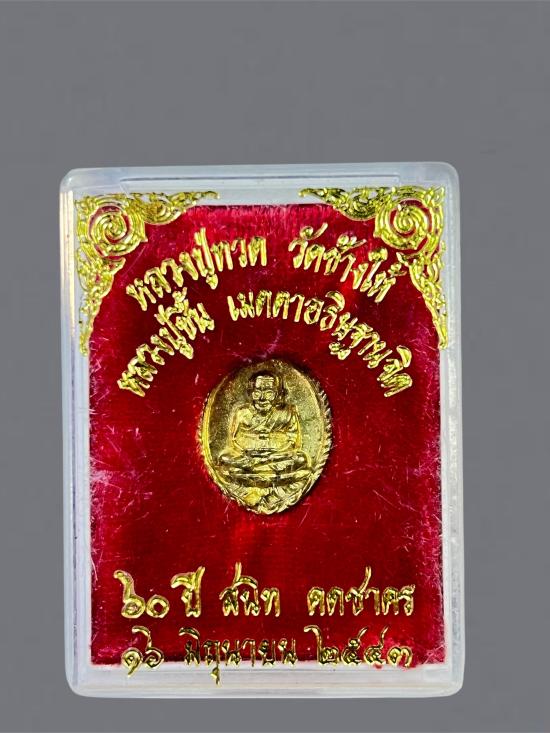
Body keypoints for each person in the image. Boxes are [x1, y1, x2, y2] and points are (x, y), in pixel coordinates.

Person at [218, 370, 310, 492]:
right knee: (224, 459)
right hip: (248, 457)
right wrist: (248, 453)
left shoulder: (287, 412)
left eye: (269, 393)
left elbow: (293, 439)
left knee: (300, 459)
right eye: (257, 393)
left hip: (277, 456)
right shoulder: (242, 413)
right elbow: (234, 439)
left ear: (278, 394)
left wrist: (272, 455)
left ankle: (250, 476)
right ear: (250, 393)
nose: (262, 398)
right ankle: (274, 476)